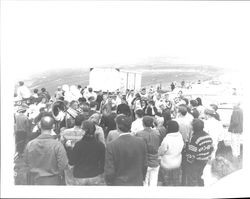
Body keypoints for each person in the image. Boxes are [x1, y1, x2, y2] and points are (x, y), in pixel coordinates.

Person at [24, 116, 68, 185]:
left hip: (35, 181)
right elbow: (63, 165)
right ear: (53, 126)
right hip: (53, 182)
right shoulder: (58, 145)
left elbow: (26, 162)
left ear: (40, 125)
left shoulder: (30, 144)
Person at [104, 115, 147, 186]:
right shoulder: (141, 142)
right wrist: (142, 178)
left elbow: (109, 170)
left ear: (117, 126)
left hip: (119, 184)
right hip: (137, 182)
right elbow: (145, 164)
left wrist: (109, 183)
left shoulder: (111, 145)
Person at [68, 120, 105, 185]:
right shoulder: (100, 145)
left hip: (80, 175)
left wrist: (69, 148)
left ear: (84, 131)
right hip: (95, 175)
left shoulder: (78, 145)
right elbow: (103, 162)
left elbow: (71, 162)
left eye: (81, 129)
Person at [184, 119, 213, 186]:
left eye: (192, 126)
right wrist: (205, 155)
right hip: (204, 160)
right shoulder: (208, 135)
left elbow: (191, 154)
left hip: (196, 162)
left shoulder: (195, 138)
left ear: (194, 127)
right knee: (200, 176)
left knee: (192, 178)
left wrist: (188, 162)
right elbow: (211, 148)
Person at [136, 116, 161, 186]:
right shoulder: (157, 133)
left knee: (145, 183)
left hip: (145, 161)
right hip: (155, 160)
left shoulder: (139, 134)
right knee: (153, 182)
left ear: (143, 123)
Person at [158, 120, 184, 186]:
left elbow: (161, 152)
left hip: (167, 164)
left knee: (167, 182)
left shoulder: (167, 139)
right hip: (177, 163)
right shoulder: (180, 136)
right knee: (176, 182)